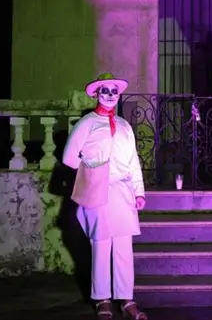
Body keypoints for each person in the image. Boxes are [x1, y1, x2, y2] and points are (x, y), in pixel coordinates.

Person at [62, 73, 149, 320]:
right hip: (98, 190)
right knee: (101, 246)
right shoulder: (87, 123)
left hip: (122, 191)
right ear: (97, 94)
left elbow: (133, 162)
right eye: (105, 91)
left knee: (123, 248)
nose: (110, 95)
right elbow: (69, 158)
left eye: (114, 91)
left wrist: (139, 191)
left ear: (118, 95)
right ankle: (102, 300)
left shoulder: (124, 126)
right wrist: (91, 171)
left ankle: (127, 300)